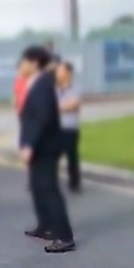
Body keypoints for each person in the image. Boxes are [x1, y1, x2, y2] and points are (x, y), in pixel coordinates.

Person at [18, 46, 76, 253]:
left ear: (34, 62)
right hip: (40, 143)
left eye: (24, 61)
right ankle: (45, 226)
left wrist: (29, 145)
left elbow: (41, 117)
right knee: (37, 186)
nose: (21, 66)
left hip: (45, 144)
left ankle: (64, 236)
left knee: (49, 189)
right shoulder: (37, 82)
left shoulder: (43, 83)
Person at [55, 59, 83, 194]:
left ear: (68, 72)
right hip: (55, 128)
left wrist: (58, 107)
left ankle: (75, 183)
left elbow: (73, 105)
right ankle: (49, 182)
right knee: (52, 156)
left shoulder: (76, 88)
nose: (57, 72)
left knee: (72, 156)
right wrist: (61, 107)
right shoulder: (53, 89)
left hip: (70, 128)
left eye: (60, 70)